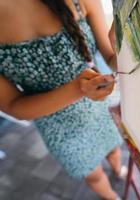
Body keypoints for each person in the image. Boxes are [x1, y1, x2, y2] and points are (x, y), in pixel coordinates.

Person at [0, 0, 126, 199]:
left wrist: (126, 51)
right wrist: (78, 88)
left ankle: (118, 170)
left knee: (113, 150)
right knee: (93, 175)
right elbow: (14, 106)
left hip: (96, 108)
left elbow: (110, 56)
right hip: (57, 127)